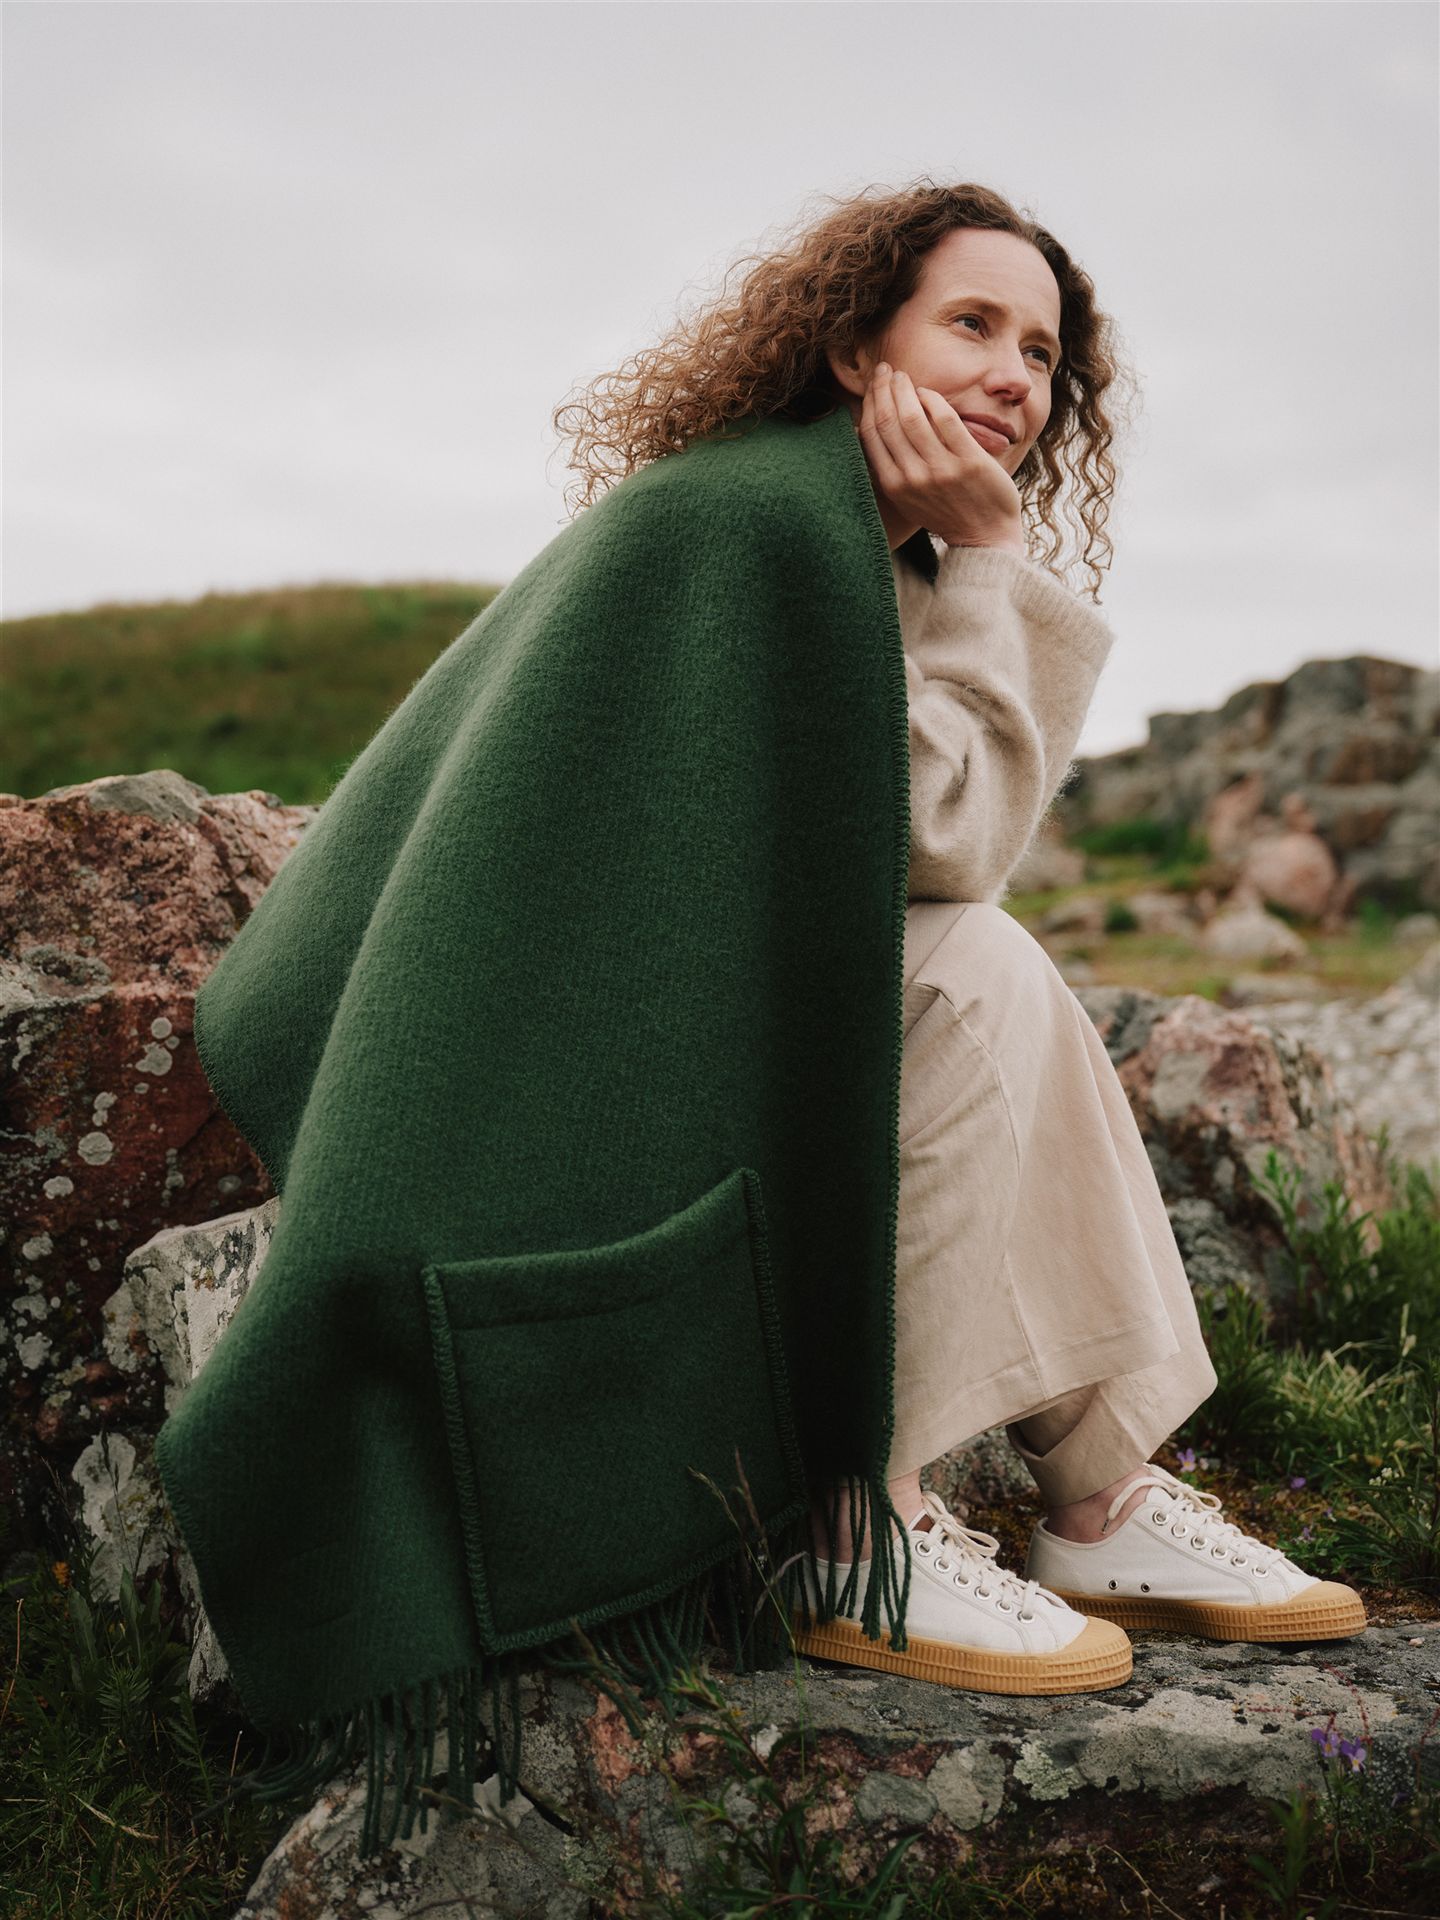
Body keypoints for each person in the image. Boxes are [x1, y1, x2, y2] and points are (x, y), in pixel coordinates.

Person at [553, 179, 1367, 1693]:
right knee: (974, 963)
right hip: (596, 1067)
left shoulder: (876, 552)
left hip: (718, 1025)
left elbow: (931, 852)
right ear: (857, 348)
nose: (1015, 376)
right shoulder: (748, 523)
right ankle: (859, 1524)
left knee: (990, 962)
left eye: (1043, 353)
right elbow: (941, 839)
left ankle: (1100, 1500)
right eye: (973, 325)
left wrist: (969, 568)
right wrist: (992, 556)